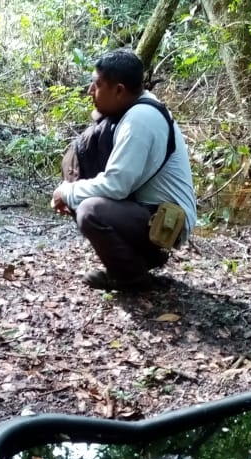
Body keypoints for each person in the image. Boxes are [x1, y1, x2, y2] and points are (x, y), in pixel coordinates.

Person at [51, 49, 196, 290]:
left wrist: (66, 191)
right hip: (152, 212)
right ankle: (141, 260)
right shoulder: (137, 106)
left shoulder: (139, 120)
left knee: (90, 210)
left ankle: (132, 278)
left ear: (119, 90)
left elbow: (115, 187)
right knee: (86, 197)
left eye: (96, 85)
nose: (90, 91)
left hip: (168, 223)